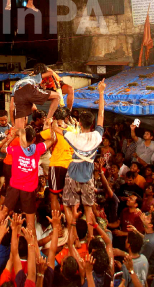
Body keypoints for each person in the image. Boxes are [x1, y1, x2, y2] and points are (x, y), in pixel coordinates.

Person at [56, 79, 106, 237]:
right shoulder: (97, 136)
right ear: (92, 124)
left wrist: (52, 122)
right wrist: (101, 92)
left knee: (70, 206)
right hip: (88, 178)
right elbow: (101, 115)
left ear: (79, 123)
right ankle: (90, 238)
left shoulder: (74, 137)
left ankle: (73, 237)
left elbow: (57, 129)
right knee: (88, 209)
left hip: (72, 177)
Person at [0, 122, 55, 232]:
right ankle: (32, 245)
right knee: (31, 226)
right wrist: (50, 126)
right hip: (29, 190)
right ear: (34, 139)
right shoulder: (38, 149)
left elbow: (2, 149)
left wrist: (12, 137)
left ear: (21, 138)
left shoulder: (16, 149)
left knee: (3, 212)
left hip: (14, 186)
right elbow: (52, 139)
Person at [10, 64, 60, 128]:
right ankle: (48, 121)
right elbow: (51, 73)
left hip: (19, 96)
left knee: (19, 129)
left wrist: (13, 123)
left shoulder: (17, 84)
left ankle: (16, 128)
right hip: (28, 89)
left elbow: (11, 108)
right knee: (57, 96)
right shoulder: (33, 77)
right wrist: (45, 69)